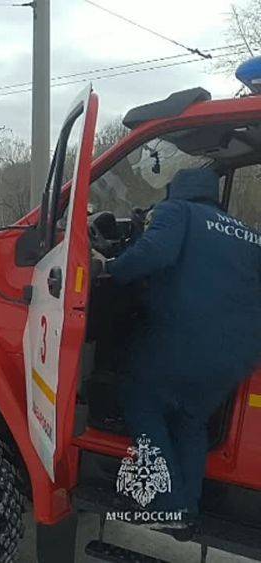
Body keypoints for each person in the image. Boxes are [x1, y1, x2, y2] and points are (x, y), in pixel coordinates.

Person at [102, 168, 261, 527]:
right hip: (238, 355)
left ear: (179, 191)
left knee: (141, 401)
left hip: (189, 340)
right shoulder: (250, 234)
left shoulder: (179, 212)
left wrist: (111, 267)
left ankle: (166, 504)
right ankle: (188, 509)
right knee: (191, 418)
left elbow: (152, 253)